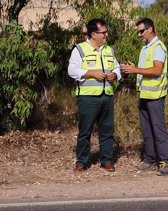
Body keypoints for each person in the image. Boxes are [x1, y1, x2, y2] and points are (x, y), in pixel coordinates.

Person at [120, 18, 168, 176]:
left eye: (141, 31)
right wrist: (132, 68)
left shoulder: (158, 47)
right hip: (144, 94)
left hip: (155, 95)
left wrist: (135, 70)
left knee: (158, 129)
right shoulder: (145, 47)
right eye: (138, 31)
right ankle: (149, 158)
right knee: (147, 129)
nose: (139, 34)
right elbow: (143, 69)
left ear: (150, 29)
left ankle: (165, 162)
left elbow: (157, 70)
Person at [68, 18, 121, 172]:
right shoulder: (80, 49)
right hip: (88, 98)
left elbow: (117, 68)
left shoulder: (109, 50)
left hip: (107, 96)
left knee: (107, 130)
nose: (106, 35)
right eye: (103, 32)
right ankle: (82, 161)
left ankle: (107, 160)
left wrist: (115, 75)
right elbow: (72, 71)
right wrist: (91, 74)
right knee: (85, 131)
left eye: (106, 32)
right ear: (93, 34)